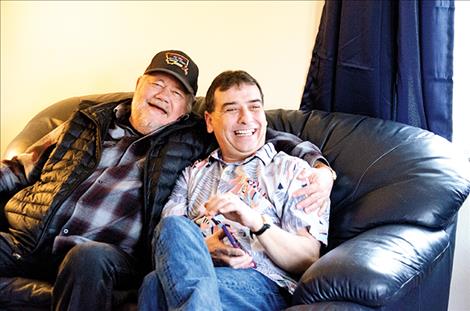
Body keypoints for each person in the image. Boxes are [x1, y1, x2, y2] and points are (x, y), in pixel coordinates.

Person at [0, 52, 333, 310]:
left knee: (154, 272)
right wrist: (202, 250)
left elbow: (254, 136)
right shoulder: (88, 124)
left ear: (187, 109)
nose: (163, 95)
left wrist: (317, 170)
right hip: (34, 239)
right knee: (172, 237)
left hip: (246, 278)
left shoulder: (285, 168)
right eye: (157, 83)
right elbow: (18, 167)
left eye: (176, 91)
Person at [137, 70, 333, 310]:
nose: (246, 119)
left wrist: (256, 222)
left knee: (154, 287)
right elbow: (168, 242)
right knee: (171, 230)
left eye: (254, 107)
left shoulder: (294, 170)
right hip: (200, 272)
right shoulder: (192, 174)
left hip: (262, 283)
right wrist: (205, 248)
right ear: (210, 121)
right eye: (231, 109)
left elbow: (307, 258)